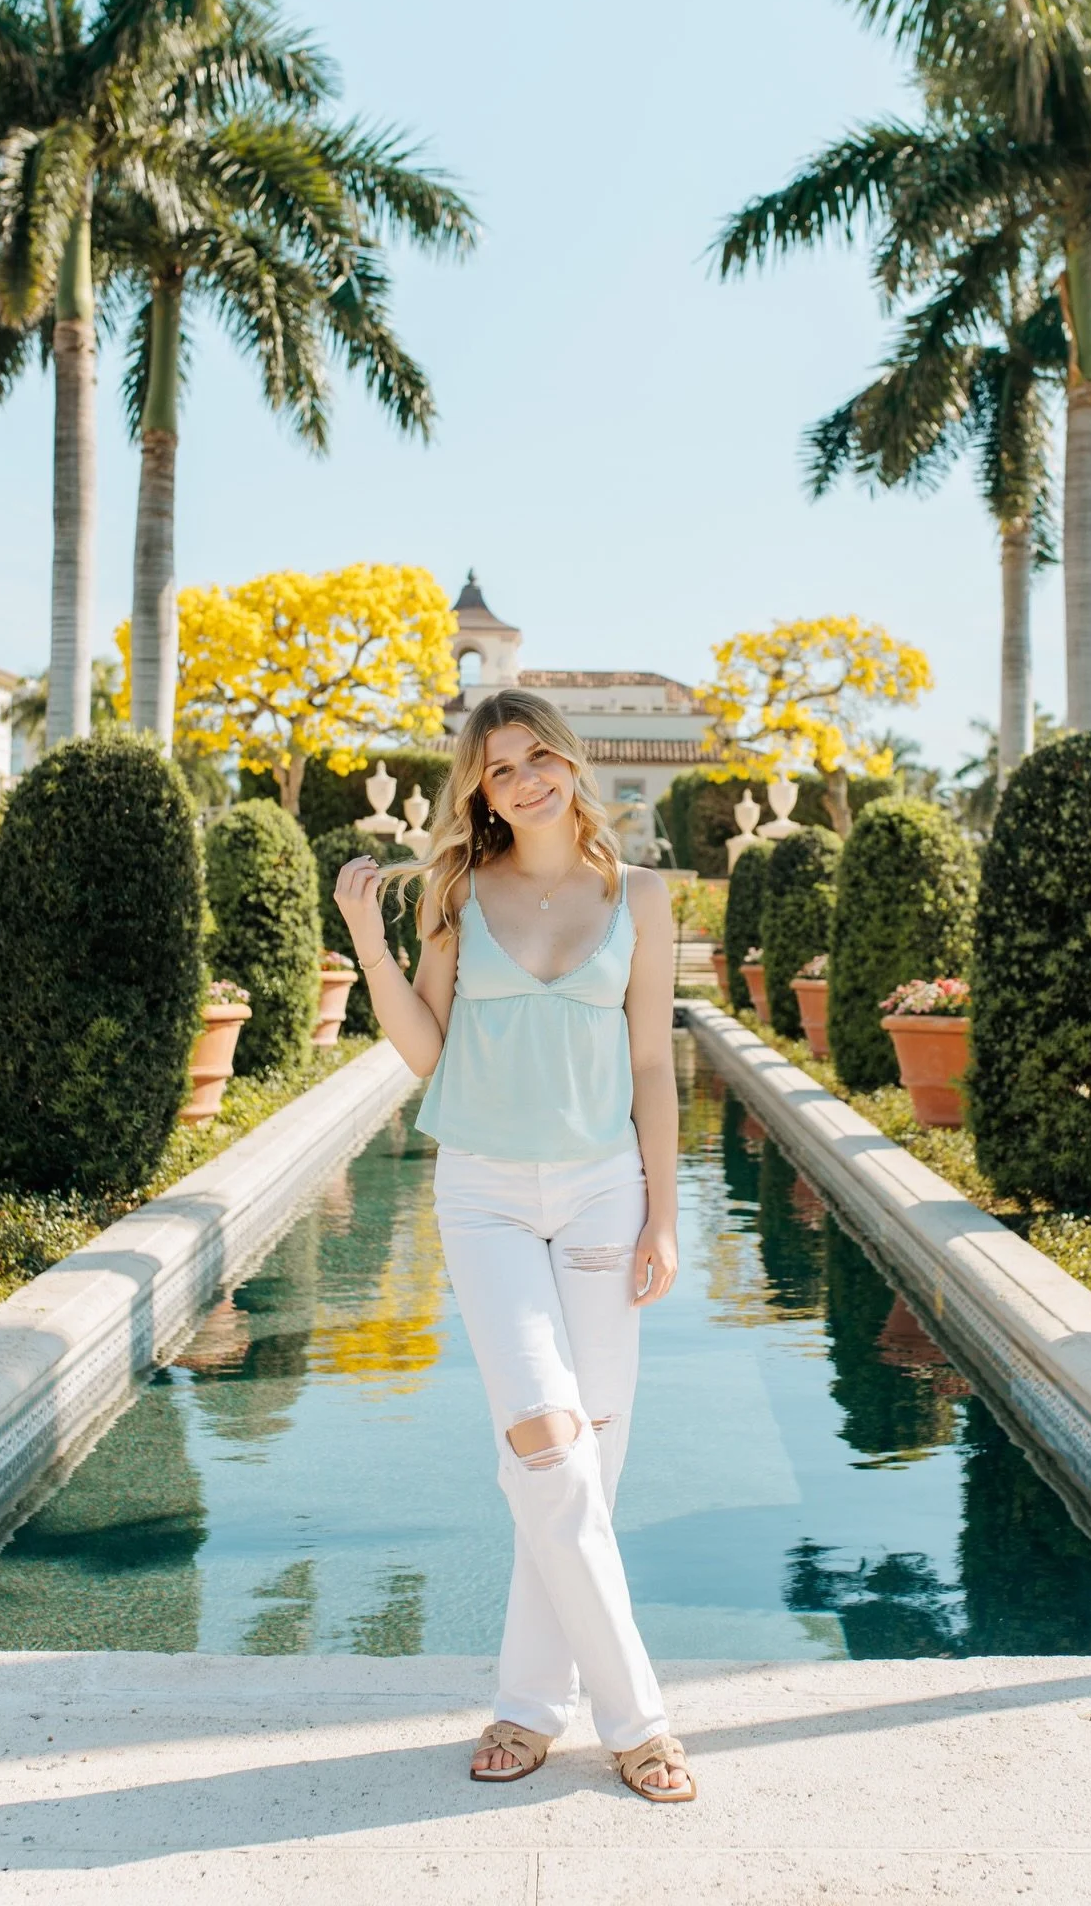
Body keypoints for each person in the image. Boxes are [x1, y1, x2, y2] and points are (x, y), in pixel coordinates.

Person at [334, 688, 695, 1804]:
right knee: (546, 1444)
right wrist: (366, 938)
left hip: (602, 1195)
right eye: (500, 767)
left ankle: (530, 1710)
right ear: (478, 788)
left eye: (540, 756)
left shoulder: (642, 895)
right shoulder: (457, 891)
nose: (526, 778)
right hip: (484, 1193)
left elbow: (649, 1068)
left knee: (581, 1461)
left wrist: (667, 1213)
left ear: (572, 762)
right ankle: (639, 1721)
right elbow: (427, 1055)